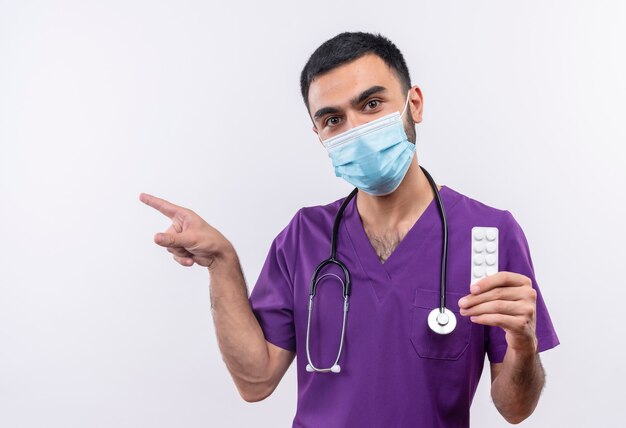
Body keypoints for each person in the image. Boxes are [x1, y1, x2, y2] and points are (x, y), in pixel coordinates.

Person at [140, 32, 559, 427]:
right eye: (333, 119)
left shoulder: (488, 233)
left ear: (414, 104)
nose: (355, 129)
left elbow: (515, 410)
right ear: (318, 133)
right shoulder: (304, 236)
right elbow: (256, 381)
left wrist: (523, 347)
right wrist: (221, 262)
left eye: (372, 104)